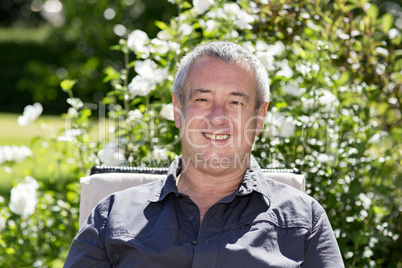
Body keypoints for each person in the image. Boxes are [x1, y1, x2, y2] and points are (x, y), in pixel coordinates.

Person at [64, 41, 344, 267]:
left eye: (235, 102)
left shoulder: (305, 222)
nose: (217, 117)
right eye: (202, 99)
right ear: (178, 109)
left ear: (259, 117)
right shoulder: (110, 217)